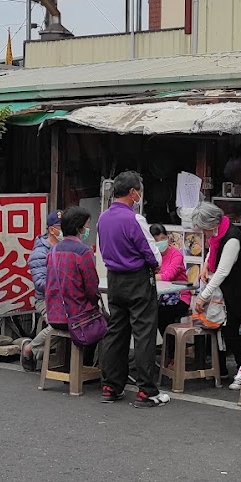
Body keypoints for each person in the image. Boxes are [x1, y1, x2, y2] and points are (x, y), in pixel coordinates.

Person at [96, 171, 167, 408]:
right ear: (133, 192)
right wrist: (154, 263)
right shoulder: (135, 219)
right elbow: (152, 254)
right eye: (139, 191)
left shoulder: (102, 218)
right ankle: (146, 391)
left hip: (114, 278)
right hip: (137, 279)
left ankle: (110, 386)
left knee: (116, 331)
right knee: (144, 333)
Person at [189, 201, 241, 380]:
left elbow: (223, 271)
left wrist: (203, 296)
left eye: (204, 229)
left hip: (237, 290)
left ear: (212, 223)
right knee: (217, 327)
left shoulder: (232, 238)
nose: (203, 233)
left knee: (231, 332)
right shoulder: (218, 234)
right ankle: (221, 370)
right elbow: (212, 252)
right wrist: (204, 266)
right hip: (226, 289)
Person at [43, 207, 101, 367]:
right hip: (76, 318)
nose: (87, 229)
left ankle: (69, 368)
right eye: (86, 225)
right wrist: (95, 305)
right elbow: (92, 287)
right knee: (103, 322)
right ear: (79, 228)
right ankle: (85, 368)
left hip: (54, 316)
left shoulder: (53, 251)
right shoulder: (83, 252)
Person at [20, 211, 62, 370]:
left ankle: (41, 353)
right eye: (61, 227)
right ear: (52, 230)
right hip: (45, 299)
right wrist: (62, 285)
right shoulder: (40, 252)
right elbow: (39, 282)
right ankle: (29, 348)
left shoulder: (62, 247)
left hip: (63, 298)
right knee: (60, 325)